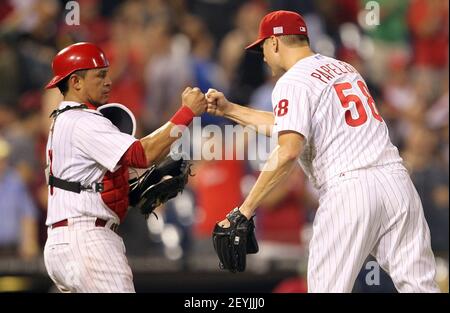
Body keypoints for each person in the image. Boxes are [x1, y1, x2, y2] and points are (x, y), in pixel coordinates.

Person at [206, 10, 439, 292]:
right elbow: (289, 125)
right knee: (420, 287)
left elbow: (289, 149)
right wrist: (231, 110)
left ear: (276, 42)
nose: (263, 55)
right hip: (396, 183)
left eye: (263, 46)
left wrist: (244, 209)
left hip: (350, 190)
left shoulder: (292, 81)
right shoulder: (344, 68)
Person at [43, 42, 206, 293]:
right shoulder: (83, 120)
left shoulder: (63, 120)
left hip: (64, 242)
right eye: (99, 75)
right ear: (75, 82)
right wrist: (186, 113)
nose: (108, 81)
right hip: (88, 241)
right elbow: (143, 154)